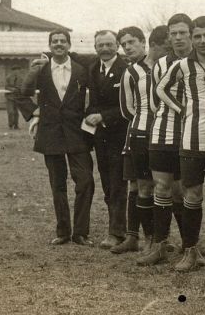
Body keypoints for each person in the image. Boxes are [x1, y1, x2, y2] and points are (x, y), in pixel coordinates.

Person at [156, 16, 205, 273]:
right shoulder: (182, 65)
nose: (202, 41)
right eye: (197, 36)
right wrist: (182, 109)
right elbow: (161, 89)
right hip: (191, 140)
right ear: (192, 37)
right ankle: (190, 251)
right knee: (192, 195)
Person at [16, 28, 95, 245]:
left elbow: (96, 95)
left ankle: (80, 232)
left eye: (63, 41)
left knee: (85, 182)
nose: (59, 44)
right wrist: (34, 112)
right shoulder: (40, 69)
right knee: (57, 184)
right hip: (50, 134)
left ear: (69, 45)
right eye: (55, 41)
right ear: (50, 46)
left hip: (77, 134)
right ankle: (63, 232)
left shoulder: (81, 70)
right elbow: (21, 93)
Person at [137, 16, 193, 266]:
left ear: (190, 34)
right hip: (163, 132)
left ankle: (190, 245)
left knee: (183, 191)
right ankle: (160, 244)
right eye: (174, 33)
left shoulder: (202, 61)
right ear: (169, 36)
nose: (178, 37)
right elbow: (152, 101)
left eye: (183, 32)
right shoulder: (160, 64)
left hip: (192, 134)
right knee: (161, 187)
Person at [111, 26, 169, 255]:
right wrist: (145, 120)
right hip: (140, 133)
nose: (127, 47)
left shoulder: (166, 65)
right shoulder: (130, 72)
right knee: (139, 185)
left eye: (131, 42)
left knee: (167, 187)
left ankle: (169, 239)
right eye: (124, 44)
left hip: (166, 133)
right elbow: (127, 109)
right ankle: (147, 238)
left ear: (144, 42)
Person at [83, 30, 130, 250]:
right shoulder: (93, 68)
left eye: (109, 44)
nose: (104, 48)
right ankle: (118, 228)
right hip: (101, 137)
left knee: (118, 184)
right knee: (108, 184)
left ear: (117, 46)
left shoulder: (126, 69)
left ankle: (117, 232)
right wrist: (91, 114)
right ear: (95, 48)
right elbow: (94, 101)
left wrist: (104, 116)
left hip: (121, 135)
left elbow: (129, 106)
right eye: (100, 45)